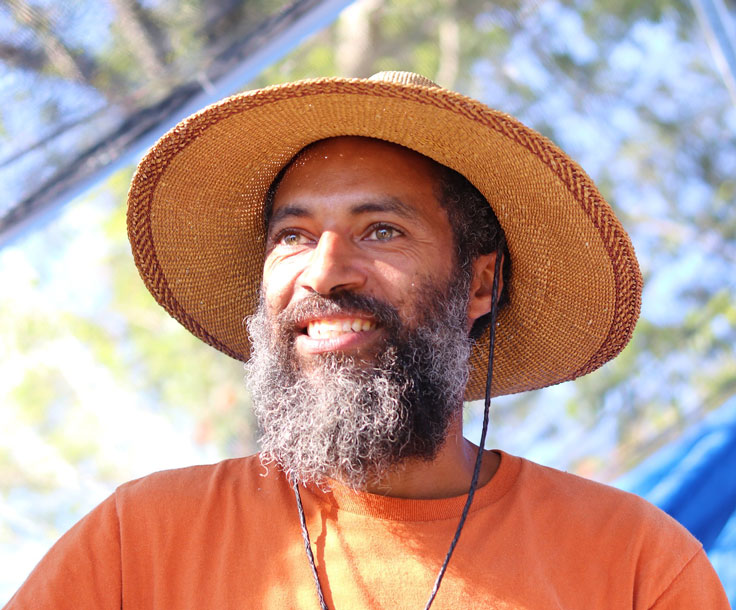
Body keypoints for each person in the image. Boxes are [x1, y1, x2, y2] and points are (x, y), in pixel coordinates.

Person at [4, 72, 730, 609]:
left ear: (481, 286)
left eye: (381, 230)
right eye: (292, 236)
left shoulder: (633, 563)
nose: (325, 272)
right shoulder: (142, 543)